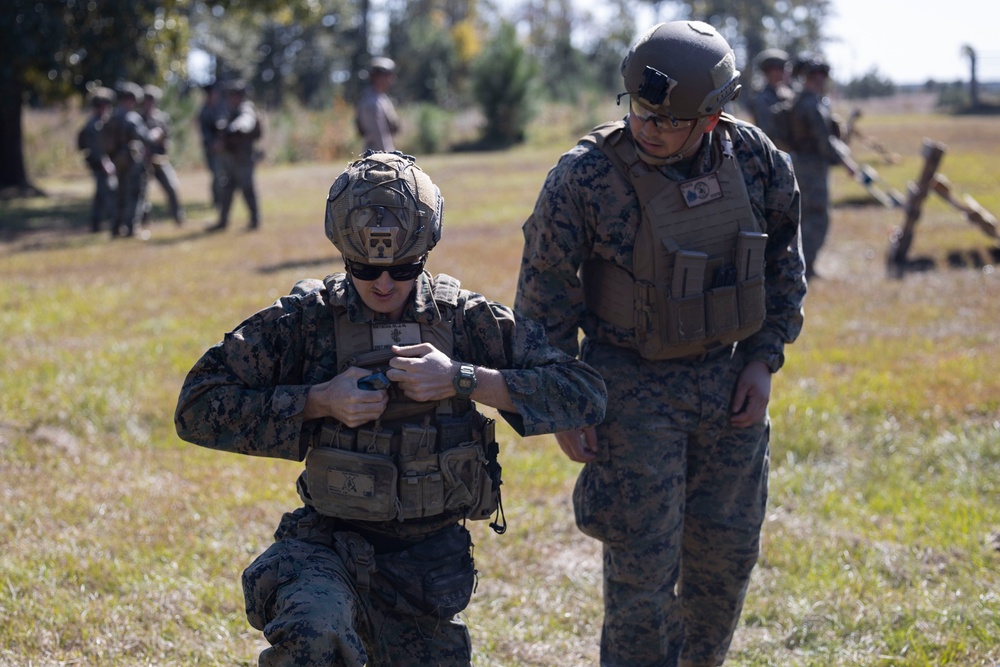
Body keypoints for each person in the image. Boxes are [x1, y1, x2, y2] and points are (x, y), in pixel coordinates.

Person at [175, 150, 608, 666]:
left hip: (425, 575)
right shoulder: (309, 321)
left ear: (426, 251)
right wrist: (320, 400)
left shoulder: (464, 319)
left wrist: (462, 378)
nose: (383, 285)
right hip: (327, 550)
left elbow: (584, 391)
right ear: (343, 252)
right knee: (315, 636)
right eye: (365, 268)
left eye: (403, 269)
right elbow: (197, 405)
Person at [514, 21, 806, 667]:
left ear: (711, 116)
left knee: (723, 562)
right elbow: (542, 305)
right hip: (630, 389)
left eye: (667, 119)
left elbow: (784, 266)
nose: (648, 126)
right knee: (641, 580)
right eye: (640, 109)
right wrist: (563, 403)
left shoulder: (756, 161)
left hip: (728, 383)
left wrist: (762, 358)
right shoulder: (584, 179)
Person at [788, 54, 842, 279]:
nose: (819, 79)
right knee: (817, 215)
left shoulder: (801, 100)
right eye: (815, 75)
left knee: (805, 214)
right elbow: (823, 139)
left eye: (822, 75)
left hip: (802, 164)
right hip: (812, 166)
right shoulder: (811, 104)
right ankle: (805, 265)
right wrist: (839, 158)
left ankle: (799, 262)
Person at [101, 81, 162, 238]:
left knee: (120, 195)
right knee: (135, 195)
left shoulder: (112, 116)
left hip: (117, 161)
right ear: (131, 100)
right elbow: (146, 138)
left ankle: (115, 228)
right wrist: (155, 134)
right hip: (132, 161)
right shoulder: (132, 118)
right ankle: (130, 228)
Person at [207, 80, 262, 232]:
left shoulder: (246, 109)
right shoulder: (228, 110)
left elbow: (246, 122)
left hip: (244, 158)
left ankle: (255, 220)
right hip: (231, 159)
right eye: (231, 95)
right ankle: (223, 221)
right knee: (227, 191)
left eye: (236, 95)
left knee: (247, 189)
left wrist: (235, 128)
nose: (233, 98)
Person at [140, 84, 185, 226]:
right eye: (147, 99)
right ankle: (143, 220)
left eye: (152, 100)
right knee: (142, 192)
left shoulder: (162, 118)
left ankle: (178, 217)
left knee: (171, 187)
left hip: (160, 160)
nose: (149, 102)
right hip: (143, 162)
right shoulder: (138, 118)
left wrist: (164, 142)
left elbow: (167, 137)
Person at [77, 86, 117, 233]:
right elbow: (96, 147)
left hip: (101, 162)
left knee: (100, 194)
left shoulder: (100, 122)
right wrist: (105, 162)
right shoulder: (95, 124)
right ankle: (114, 223)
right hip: (99, 163)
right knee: (109, 190)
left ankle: (95, 224)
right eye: (105, 105)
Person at [356, 57, 400, 152]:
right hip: (378, 157)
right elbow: (378, 135)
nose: (391, 79)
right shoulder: (372, 102)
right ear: (378, 77)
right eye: (388, 75)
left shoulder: (381, 98)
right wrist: (387, 157)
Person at [750, 48, 794, 142]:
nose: (787, 71)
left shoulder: (787, 93)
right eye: (782, 68)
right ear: (772, 71)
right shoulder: (763, 99)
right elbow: (767, 130)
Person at [198, 82, 226, 210]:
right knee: (217, 174)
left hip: (224, 147)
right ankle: (217, 202)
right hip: (211, 149)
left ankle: (223, 200)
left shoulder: (222, 107)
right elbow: (205, 132)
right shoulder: (204, 111)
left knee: (224, 175)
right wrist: (213, 144)